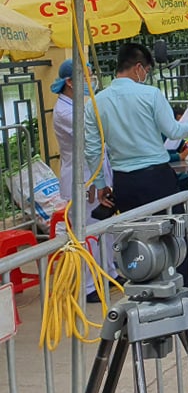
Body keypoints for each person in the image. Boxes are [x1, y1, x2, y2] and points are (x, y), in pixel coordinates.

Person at [83, 42, 188, 281]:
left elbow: (93, 149)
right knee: (174, 236)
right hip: (157, 179)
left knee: (136, 239)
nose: (146, 75)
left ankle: (146, 292)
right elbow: (175, 131)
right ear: (138, 68)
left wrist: (103, 183)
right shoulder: (151, 94)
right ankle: (183, 290)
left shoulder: (97, 102)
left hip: (124, 182)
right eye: (146, 70)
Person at [51, 60, 119, 302]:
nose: (91, 80)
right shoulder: (65, 112)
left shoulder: (80, 104)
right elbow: (95, 133)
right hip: (82, 179)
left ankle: (109, 273)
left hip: (96, 174)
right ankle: (90, 286)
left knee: (105, 227)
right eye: (86, 76)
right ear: (70, 82)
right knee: (87, 231)